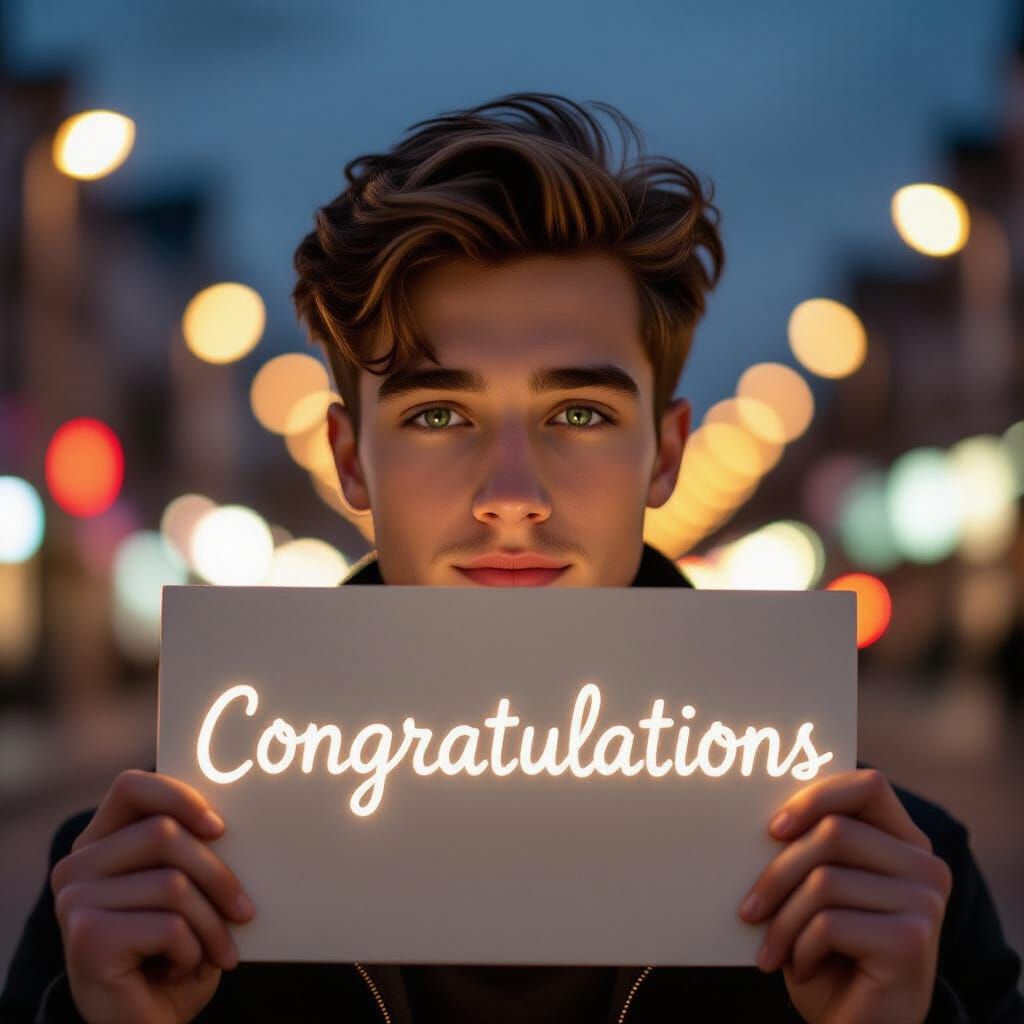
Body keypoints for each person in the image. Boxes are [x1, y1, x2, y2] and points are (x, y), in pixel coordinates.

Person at [2, 91, 1022, 1024]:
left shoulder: (886, 879)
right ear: (350, 460)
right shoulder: (135, 884)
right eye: (439, 412)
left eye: (577, 411)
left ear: (663, 454)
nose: (511, 494)